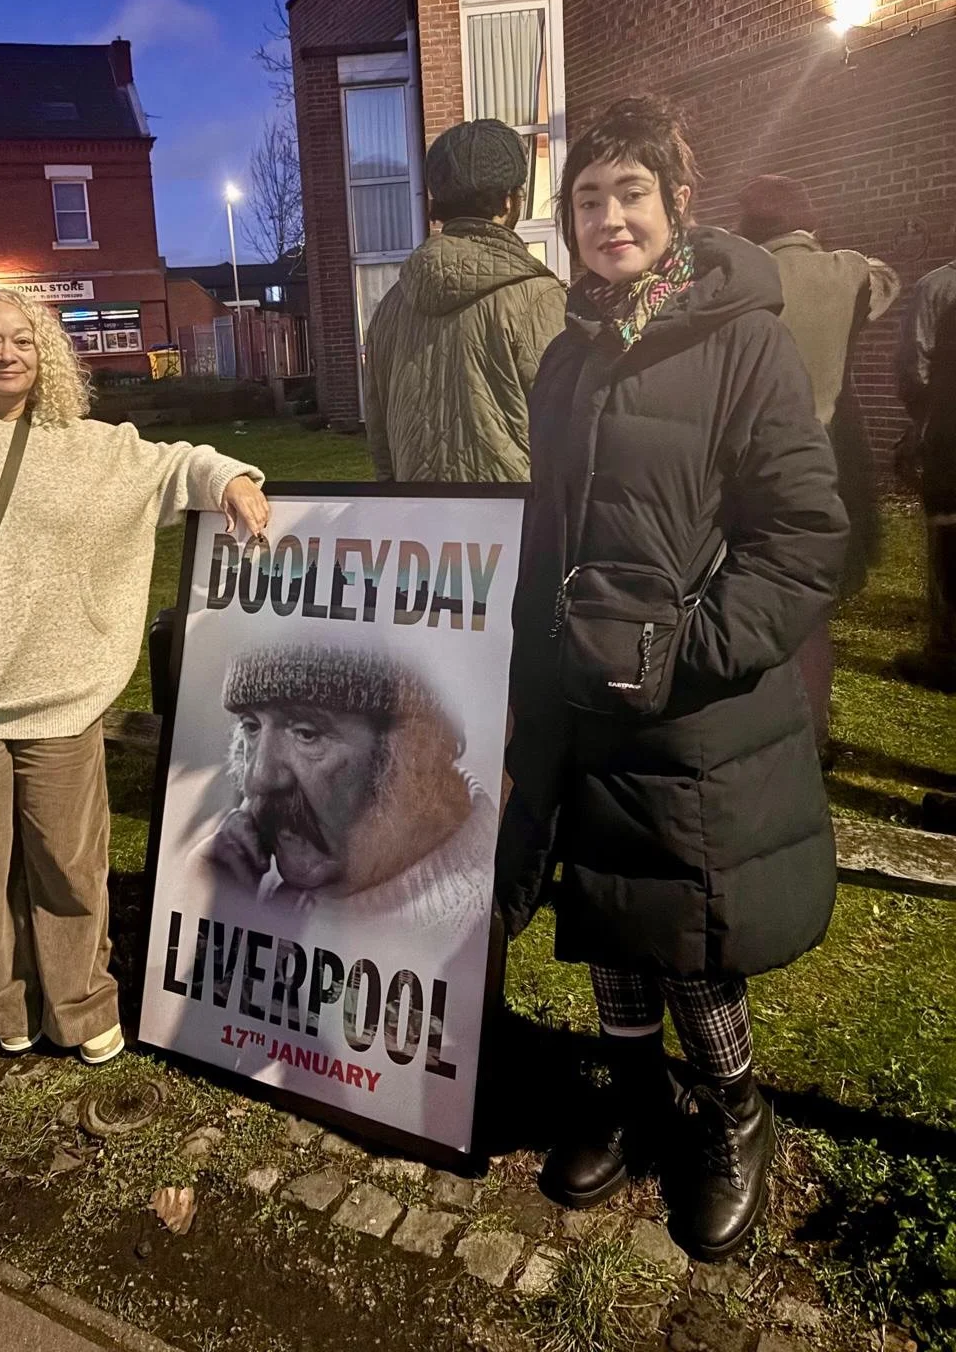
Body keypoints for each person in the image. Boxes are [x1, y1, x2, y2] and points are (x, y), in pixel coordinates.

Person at [500, 99, 848, 1262]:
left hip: (694, 710)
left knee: (690, 936)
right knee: (609, 911)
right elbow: (549, 530)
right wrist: (532, 670)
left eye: (631, 193)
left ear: (676, 203)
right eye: (588, 199)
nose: (610, 217)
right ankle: (633, 1089)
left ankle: (735, 1112)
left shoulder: (744, 341)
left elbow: (804, 535)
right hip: (582, 700)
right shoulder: (566, 358)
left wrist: (688, 652)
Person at [0, 288, 269, 1064]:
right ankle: (7, 1001)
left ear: (46, 355)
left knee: (70, 866)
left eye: (23, 340)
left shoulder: (87, 447)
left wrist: (232, 480)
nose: (7, 354)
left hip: (60, 700)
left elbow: (175, 468)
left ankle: (79, 1005)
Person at [737, 175, 900, 745]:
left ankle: (761, 727)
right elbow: (887, 281)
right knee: (813, 609)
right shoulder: (848, 272)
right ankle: (815, 733)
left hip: (751, 458)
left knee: (752, 596)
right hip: (826, 456)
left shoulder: (741, 276)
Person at [192, 644, 495, 931]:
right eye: (251, 726)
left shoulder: (477, 933)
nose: (258, 779)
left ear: (417, 754)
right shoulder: (244, 875)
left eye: (306, 733)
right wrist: (204, 916)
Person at [363, 118, 567, 483]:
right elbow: (570, 437)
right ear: (509, 201)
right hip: (514, 517)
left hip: (418, 516)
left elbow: (380, 442)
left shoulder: (389, 307)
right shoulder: (538, 298)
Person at [895, 258, 956, 692]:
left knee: (948, 533)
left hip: (949, 430)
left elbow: (914, 364)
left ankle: (946, 654)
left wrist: (923, 421)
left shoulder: (937, 287)